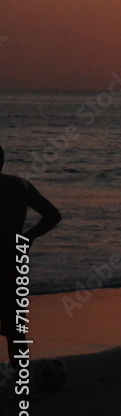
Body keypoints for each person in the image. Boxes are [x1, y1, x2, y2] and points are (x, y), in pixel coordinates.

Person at [0, 146, 61, 391]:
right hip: (13, 263)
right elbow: (52, 215)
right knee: (15, 330)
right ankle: (23, 388)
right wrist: (28, 238)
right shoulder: (20, 186)